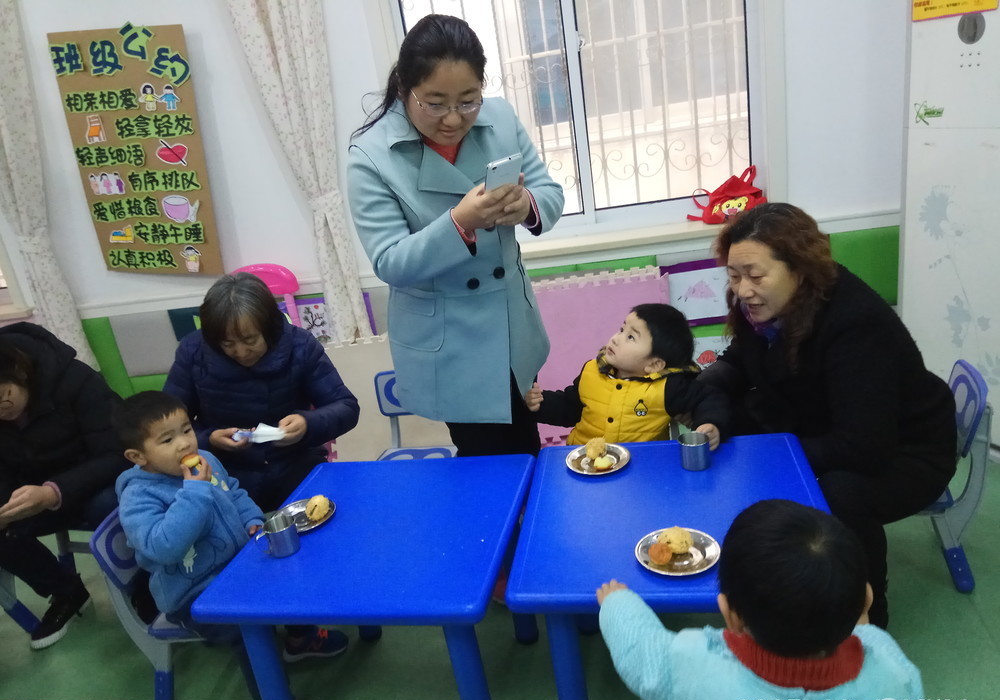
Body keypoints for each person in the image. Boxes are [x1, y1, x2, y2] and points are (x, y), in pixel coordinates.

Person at [697, 202, 956, 628]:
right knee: (734, 422)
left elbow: (864, 447)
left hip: (908, 448)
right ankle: (772, 573)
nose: (742, 290)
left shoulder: (856, 326)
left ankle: (866, 612)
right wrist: (708, 401)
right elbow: (737, 362)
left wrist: (771, 457)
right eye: (734, 275)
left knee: (840, 491)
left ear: (799, 270)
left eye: (755, 276)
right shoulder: (765, 310)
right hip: (825, 421)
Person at [347, 14, 565, 457]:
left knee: (526, 448)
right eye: (435, 103)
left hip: (511, 325)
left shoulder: (500, 117)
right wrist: (460, 222)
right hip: (451, 343)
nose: (453, 119)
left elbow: (549, 192)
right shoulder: (370, 157)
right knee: (485, 461)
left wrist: (525, 205)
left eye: (468, 101)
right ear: (405, 88)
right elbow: (390, 261)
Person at [598, 499, 924, 700]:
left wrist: (617, 602)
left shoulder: (689, 669)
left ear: (731, 614)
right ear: (865, 597)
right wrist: (862, 623)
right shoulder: (897, 679)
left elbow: (640, 649)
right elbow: (870, 640)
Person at [112, 391, 341, 700]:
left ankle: (301, 638)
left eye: (186, 430)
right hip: (192, 593)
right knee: (247, 629)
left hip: (235, 564)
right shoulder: (138, 497)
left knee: (286, 575)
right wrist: (194, 491)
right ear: (137, 456)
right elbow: (164, 547)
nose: (184, 443)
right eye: (167, 440)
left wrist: (251, 520)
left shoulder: (205, 459)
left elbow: (233, 491)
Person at [164, 272, 360, 512]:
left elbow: (346, 407)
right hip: (223, 474)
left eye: (250, 340)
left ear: (268, 328)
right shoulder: (194, 351)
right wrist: (209, 439)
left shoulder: (300, 345)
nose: (241, 352)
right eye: (227, 344)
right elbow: (166, 424)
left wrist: (306, 424)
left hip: (295, 465)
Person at [0, 323, 128, 649]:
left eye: (3, 396)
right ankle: (66, 590)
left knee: (109, 504)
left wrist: (53, 491)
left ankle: (140, 586)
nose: (2, 409)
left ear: (19, 371)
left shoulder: (75, 379)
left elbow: (117, 452)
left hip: (96, 485)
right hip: (37, 494)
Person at [525, 303, 728, 449]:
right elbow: (570, 408)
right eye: (622, 329)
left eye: (631, 337)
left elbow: (709, 399)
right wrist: (541, 404)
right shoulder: (591, 372)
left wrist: (710, 423)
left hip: (639, 469)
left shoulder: (668, 387)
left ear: (654, 365)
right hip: (583, 460)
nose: (616, 338)